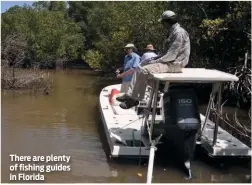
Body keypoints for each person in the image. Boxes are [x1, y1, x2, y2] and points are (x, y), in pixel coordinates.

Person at [116, 10, 191, 109]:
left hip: (175, 64)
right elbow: (166, 53)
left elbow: (171, 56)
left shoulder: (179, 33)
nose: (163, 25)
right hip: (169, 62)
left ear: (167, 21)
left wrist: (155, 61)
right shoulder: (172, 32)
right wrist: (153, 58)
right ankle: (130, 94)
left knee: (144, 70)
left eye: (163, 22)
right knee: (139, 67)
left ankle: (134, 100)